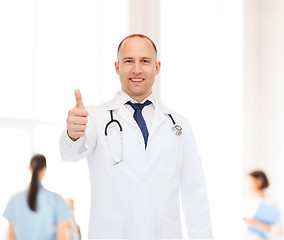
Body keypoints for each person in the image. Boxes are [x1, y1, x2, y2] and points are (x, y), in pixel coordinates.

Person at [59, 34, 212, 239]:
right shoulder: (96, 118)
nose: (137, 69)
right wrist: (73, 133)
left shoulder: (179, 125)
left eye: (145, 61)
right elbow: (71, 153)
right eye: (129, 61)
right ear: (117, 67)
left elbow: (195, 195)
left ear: (157, 68)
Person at [3, 154, 73, 240]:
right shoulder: (56, 200)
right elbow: (61, 237)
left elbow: (11, 236)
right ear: (45, 169)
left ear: (30, 168)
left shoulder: (14, 200)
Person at [243, 170, 283, 240]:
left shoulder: (269, 204)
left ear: (259, 181)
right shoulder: (247, 201)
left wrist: (255, 223)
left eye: (249, 183)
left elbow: (278, 232)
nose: (246, 186)